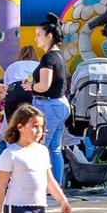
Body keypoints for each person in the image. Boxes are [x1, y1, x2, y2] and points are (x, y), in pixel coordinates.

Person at [26, 21, 72, 187]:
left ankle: (39, 185)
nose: (36, 38)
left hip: (49, 106)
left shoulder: (48, 58)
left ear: (49, 36)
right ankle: (55, 185)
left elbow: (44, 85)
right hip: (59, 104)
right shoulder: (59, 55)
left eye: (39, 35)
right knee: (55, 148)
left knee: (40, 146)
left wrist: (30, 86)